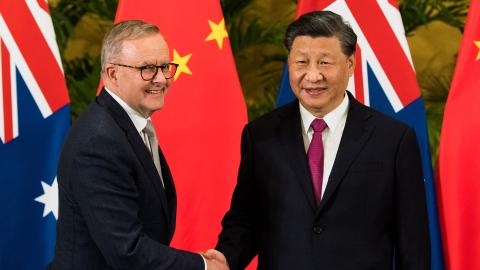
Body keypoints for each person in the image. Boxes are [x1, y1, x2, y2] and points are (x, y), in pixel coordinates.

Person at [210, 11, 430, 270]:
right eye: (301, 62)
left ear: (350, 64)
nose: (312, 76)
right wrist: (224, 258)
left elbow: (412, 243)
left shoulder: (394, 140)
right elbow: (246, 221)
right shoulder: (260, 136)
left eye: (325, 63)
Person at [49, 20, 228, 270]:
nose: (161, 79)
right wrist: (203, 266)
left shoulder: (127, 123)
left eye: (165, 67)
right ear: (113, 73)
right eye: (147, 69)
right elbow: (127, 251)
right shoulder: (99, 141)